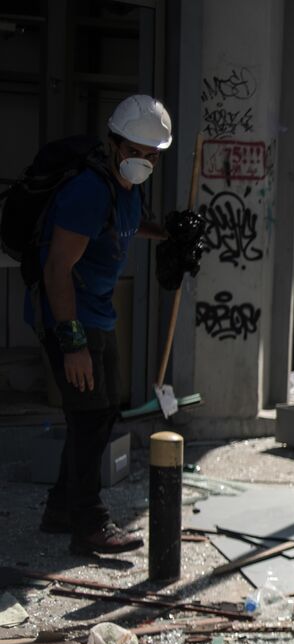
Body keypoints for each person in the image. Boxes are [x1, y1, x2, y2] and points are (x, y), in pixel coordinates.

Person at [25, 95, 185, 555]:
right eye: (135, 150)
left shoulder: (126, 189)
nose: (144, 160)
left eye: (153, 154)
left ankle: (60, 508)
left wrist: (170, 232)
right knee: (90, 415)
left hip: (96, 311)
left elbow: (124, 227)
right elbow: (57, 269)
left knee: (96, 414)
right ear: (114, 144)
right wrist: (71, 342)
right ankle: (88, 523)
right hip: (69, 314)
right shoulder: (89, 191)